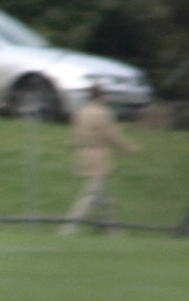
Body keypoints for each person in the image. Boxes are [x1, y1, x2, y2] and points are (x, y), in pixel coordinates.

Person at [60, 83, 140, 235]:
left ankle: (112, 228)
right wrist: (129, 148)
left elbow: (74, 137)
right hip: (99, 155)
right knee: (91, 194)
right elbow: (111, 135)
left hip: (84, 154)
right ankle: (70, 227)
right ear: (102, 96)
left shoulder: (81, 112)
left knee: (102, 194)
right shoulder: (103, 113)